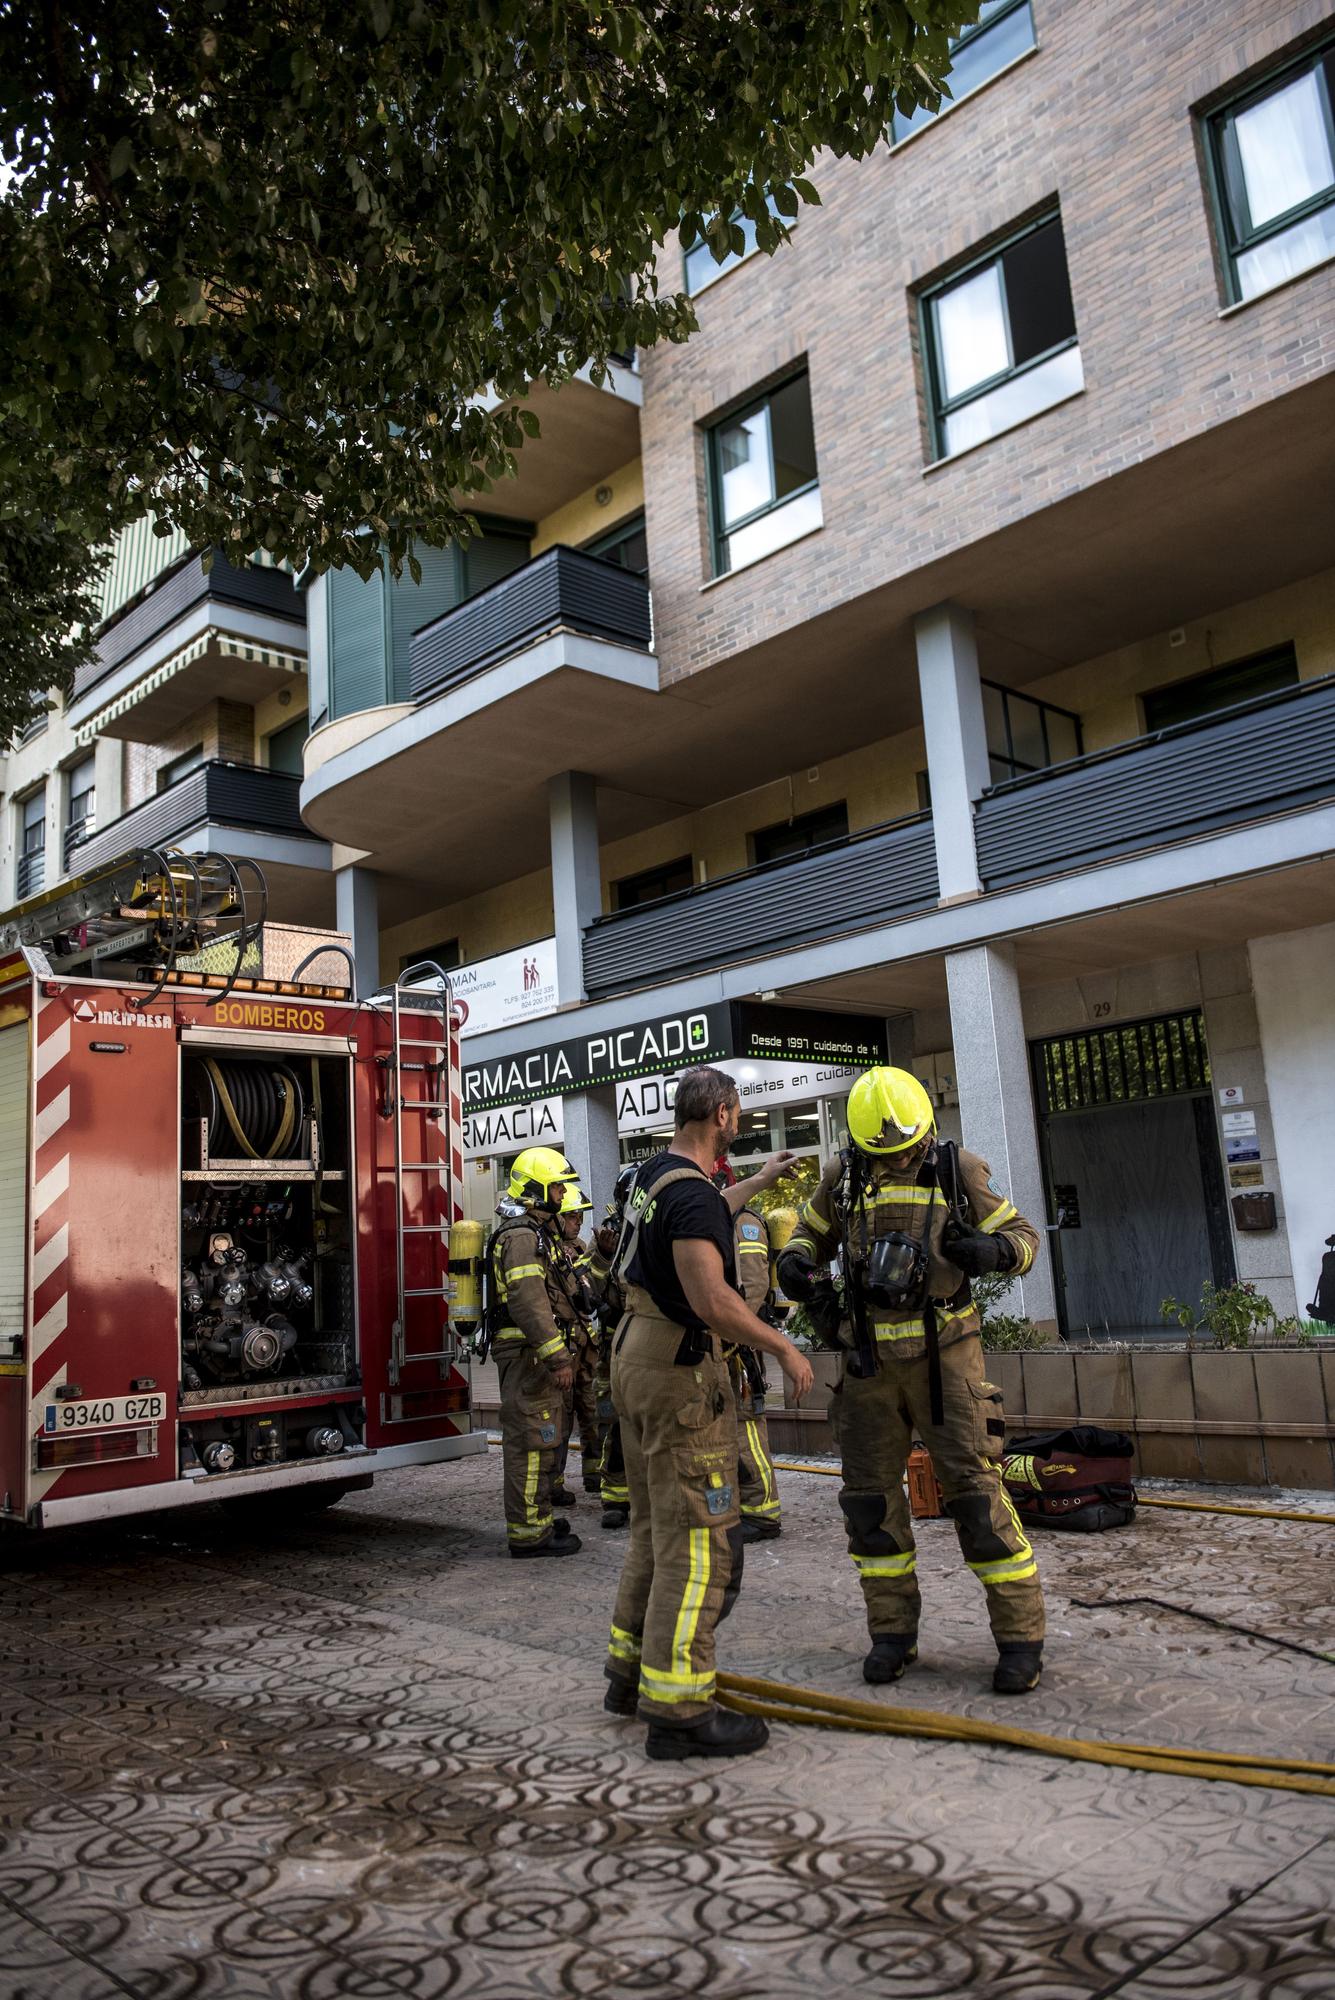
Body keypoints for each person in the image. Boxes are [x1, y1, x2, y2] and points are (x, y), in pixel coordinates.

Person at [777, 1067, 1046, 1695]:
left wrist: (993, 1252)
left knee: (976, 1499)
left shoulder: (960, 1170)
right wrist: (795, 1263)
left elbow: (1024, 1236)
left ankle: (1020, 1642)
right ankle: (892, 1637)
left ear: (924, 1129)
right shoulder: (843, 1178)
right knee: (871, 1507)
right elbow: (808, 1238)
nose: (897, 1159)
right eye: (884, 1153)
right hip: (868, 1367)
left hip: (946, 1365)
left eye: (905, 1148)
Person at [603, 1066, 814, 1760]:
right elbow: (711, 1299)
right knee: (698, 1540)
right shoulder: (692, 1199)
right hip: (679, 1373)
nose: (738, 1119)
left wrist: (757, 1180)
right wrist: (783, 1348)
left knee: (652, 1526)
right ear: (722, 1113)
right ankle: (681, 1711)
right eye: (737, 1111)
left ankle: (629, 1676)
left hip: (634, 1356)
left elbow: (697, 1209)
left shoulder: (651, 1177)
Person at [487, 1145, 590, 1558]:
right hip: (529, 1355)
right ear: (535, 1189)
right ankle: (530, 1534)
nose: (564, 1196)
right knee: (531, 1444)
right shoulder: (521, 1237)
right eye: (558, 1188)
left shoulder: (535, 1233)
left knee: (543, 1440)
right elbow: (529, 1303)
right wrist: (558, 1356)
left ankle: (540, 1518)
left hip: (535, 1356)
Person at [712, 1155, 796, 1543]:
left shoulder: (744, 1223)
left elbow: (754, 1285)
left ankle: (762, 1512)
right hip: (720, 1342)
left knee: (748, 1428)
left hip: (739, 1347)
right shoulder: (714, 1221)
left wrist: (732, 1332)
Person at [588, 1165, 637, 1530]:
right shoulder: (606, 1235)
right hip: (614, 1341)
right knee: (615, 1422)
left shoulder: (651, 1226)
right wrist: (603, 1258)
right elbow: (588, 1287)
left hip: (648, 1339)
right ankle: (616, 1496)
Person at [550, 1184, 602, 1502]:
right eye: (571, 1216)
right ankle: (553, 1482)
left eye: (580, 1216)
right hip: (564, 1347)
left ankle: (594, 1474)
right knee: (561, 1416)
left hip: (587, 1347)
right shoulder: (547, 1251)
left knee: (592, 1412)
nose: (577, 1222)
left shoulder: (582, 1248)